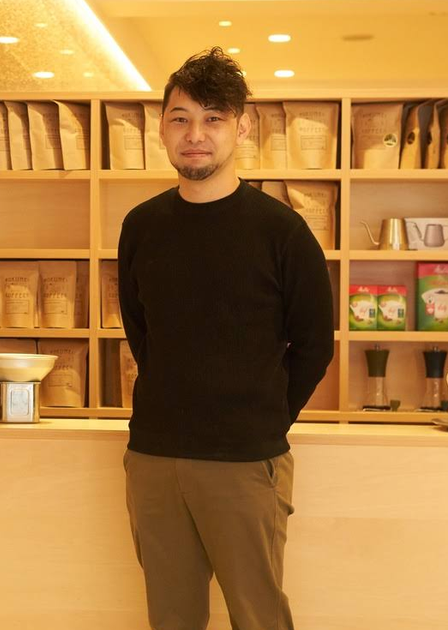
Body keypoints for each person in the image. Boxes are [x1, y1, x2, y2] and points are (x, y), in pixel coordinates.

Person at [118, 47, 333, 630]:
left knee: (258, 617)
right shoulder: (141, 226)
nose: (195, 134)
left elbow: (315, 344)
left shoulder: (281, 231)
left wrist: (262, 419)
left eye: (213, 118)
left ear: (242, 127)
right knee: (170, 618)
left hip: (245, 459)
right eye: (181, 118)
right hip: (154, 456)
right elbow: (142, 332)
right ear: (161, 128)